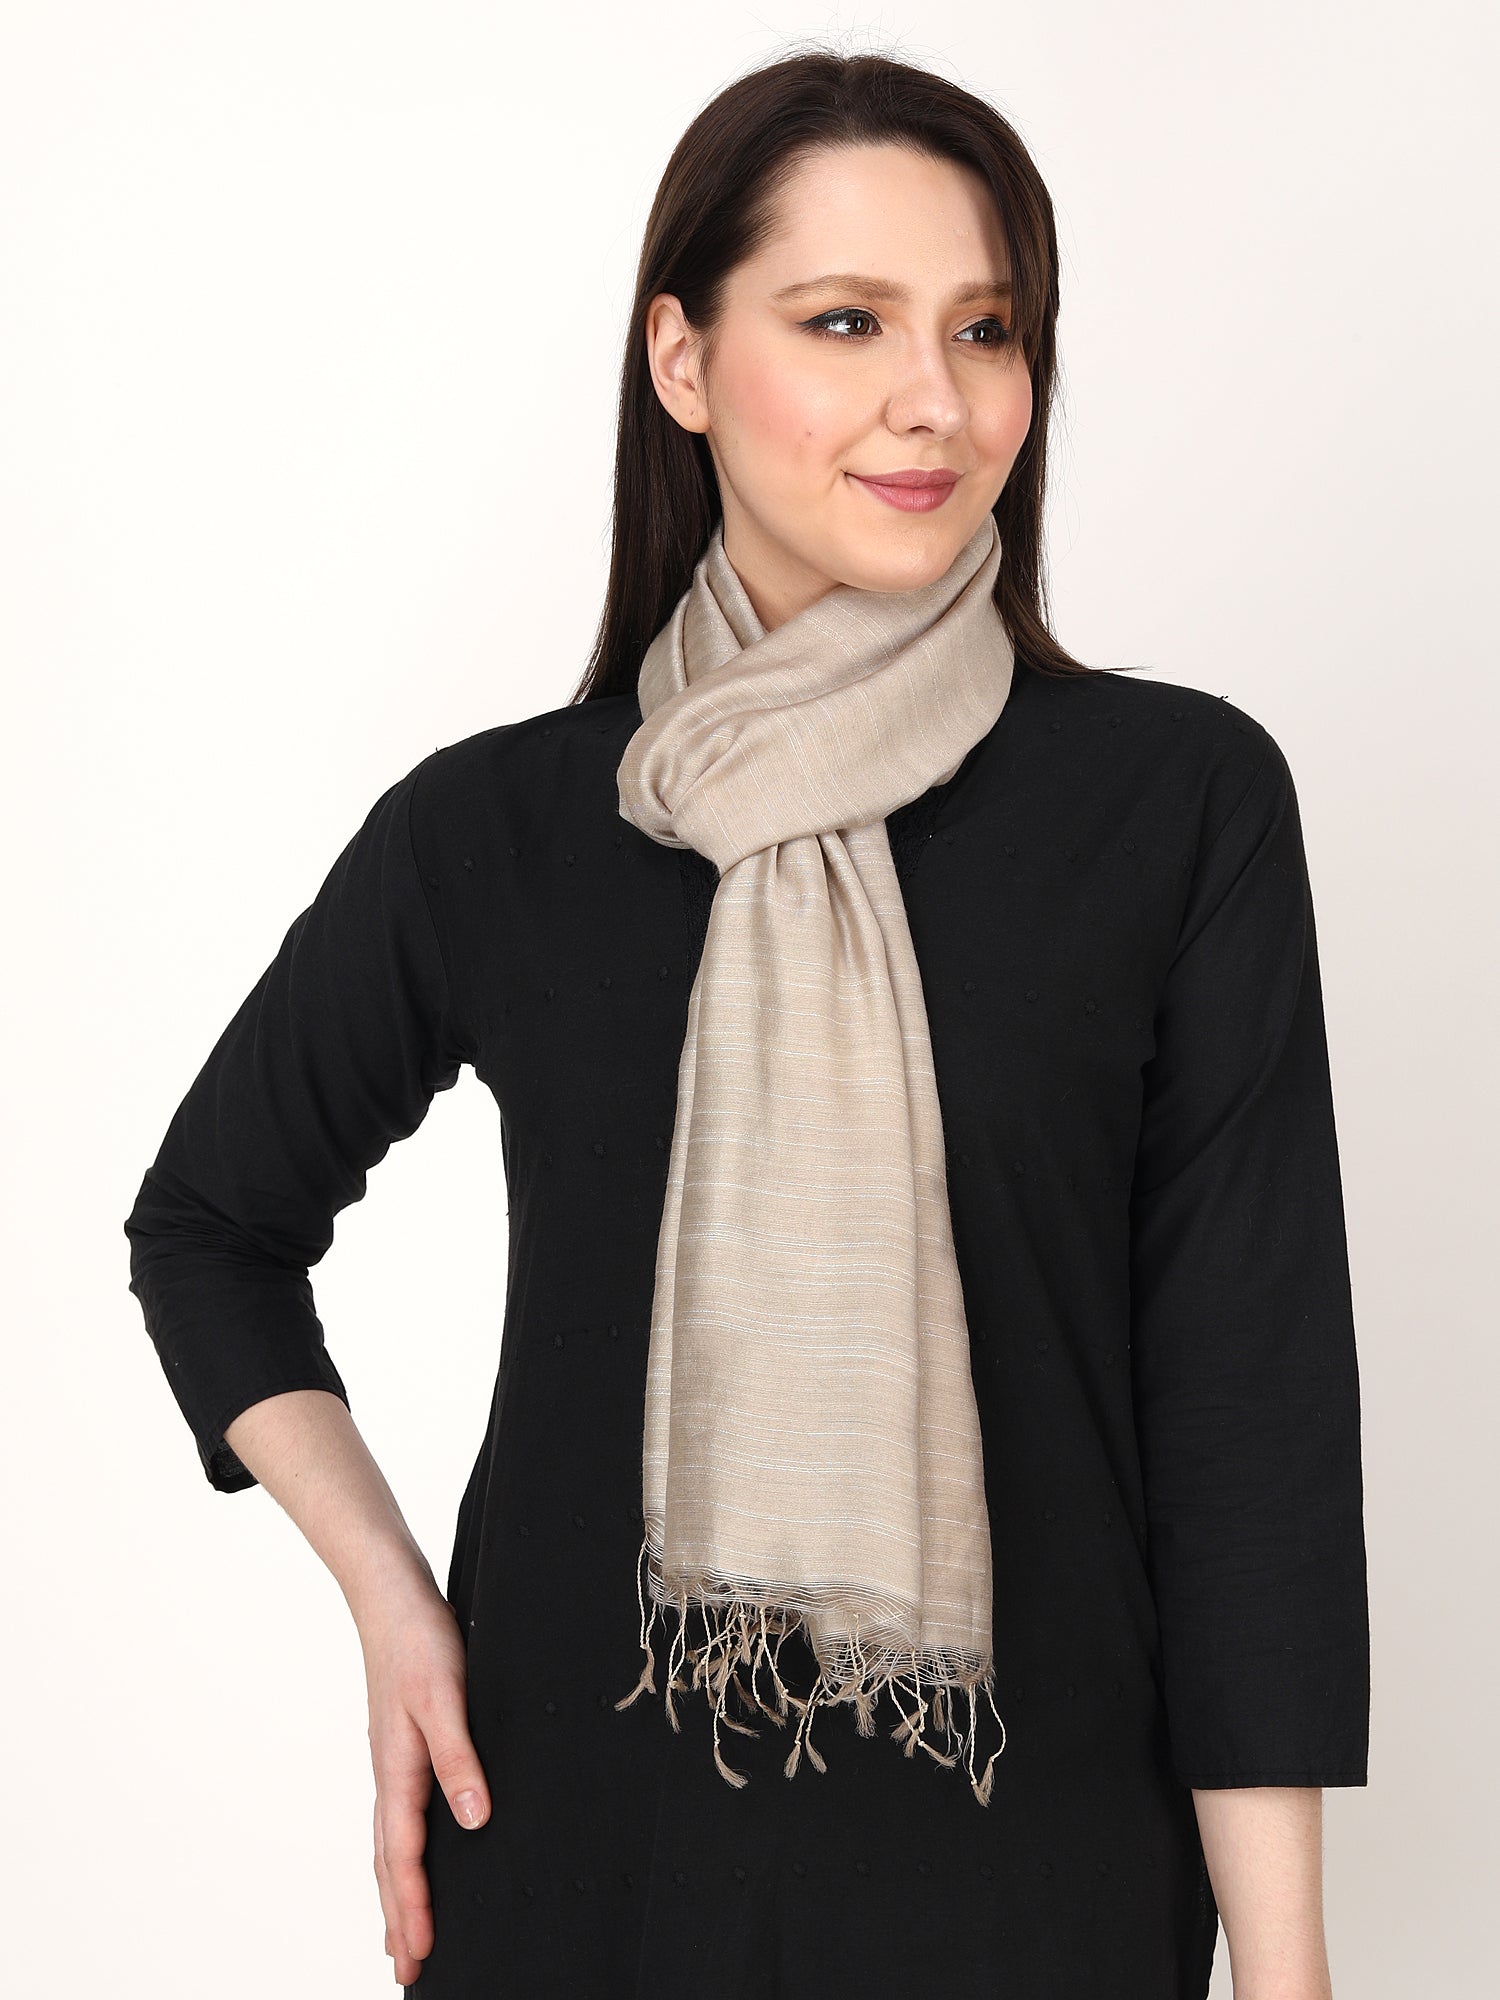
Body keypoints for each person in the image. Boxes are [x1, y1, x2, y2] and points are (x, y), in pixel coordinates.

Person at [122, 44, 1370, 2000]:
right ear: (684, 360)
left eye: (985, 328)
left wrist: (1292, 1980)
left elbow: (1247, 1426)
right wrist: (394, 1603)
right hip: (573, 1876)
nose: (934, 398)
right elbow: (209, 1226)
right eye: (845, 320)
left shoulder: (1176, 802)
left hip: (1039, 1888)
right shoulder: (499, 831)